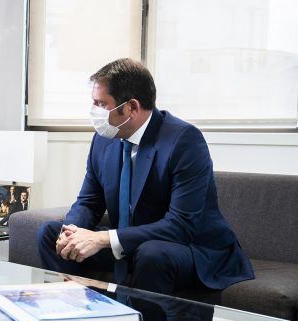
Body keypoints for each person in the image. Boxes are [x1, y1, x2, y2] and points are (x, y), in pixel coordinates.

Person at [36, 58, 254, 298]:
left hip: (189, 247)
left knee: (152, 254)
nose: (94, 111)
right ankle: (78, 316)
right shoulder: (103, 139)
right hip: (132, 244)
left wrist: (102, 238)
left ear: (131, 107)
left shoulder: (184, 140)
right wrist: (72, 231)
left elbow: (180, 226)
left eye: (101, 103)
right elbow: (89, 201)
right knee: (50, 233)